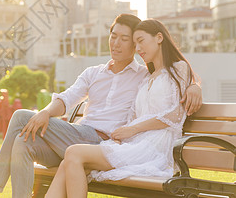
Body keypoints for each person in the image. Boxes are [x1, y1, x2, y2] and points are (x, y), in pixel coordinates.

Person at [0, 14, 202, 198]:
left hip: (103, 141)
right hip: (77, 135)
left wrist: (194, 85)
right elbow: (67, 99)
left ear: (135, 46)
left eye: (125, 39)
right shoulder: (93, 73)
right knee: (23, 142)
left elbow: (174, 79)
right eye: (113, 36)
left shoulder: (142, 75)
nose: (116, 43)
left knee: (19, 117)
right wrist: (47, 113)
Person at [45, 19, 198, 198]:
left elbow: (175, 116)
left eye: (141, 41)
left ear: (158, 38)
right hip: (133, 143)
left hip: (154, 147)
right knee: (68, 161)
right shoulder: (146, 78)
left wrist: (195, 86)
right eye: (135, 44)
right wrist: (122, 134)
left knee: (73, 152)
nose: (138, 49)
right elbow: (133, 116)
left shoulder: (179, 68)